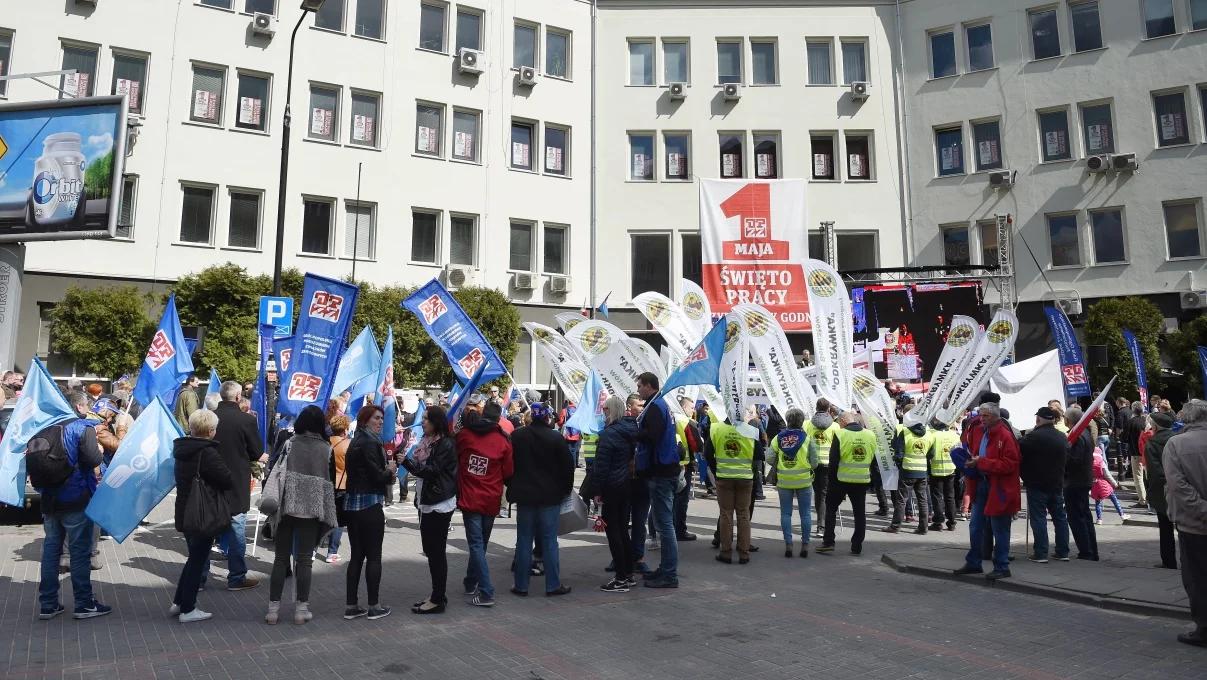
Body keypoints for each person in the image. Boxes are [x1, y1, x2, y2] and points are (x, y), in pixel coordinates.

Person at [35, 391, 111, 621]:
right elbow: (94, 461)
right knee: (79, 552)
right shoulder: (81, 427)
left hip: (49, 497)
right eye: (86, 405)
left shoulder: (43, 427)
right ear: (79, 406)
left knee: (51, 550)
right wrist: (98, 452)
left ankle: (48, 604)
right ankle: (84, 603)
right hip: (75, 496)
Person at [265, 405, 337, 625]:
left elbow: (275, 468)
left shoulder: (289, 444)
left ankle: (273, 610)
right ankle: (301, 609)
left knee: (280, 559)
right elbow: (330, 482)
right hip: (312, 508)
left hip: (286, 506)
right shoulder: (327, 449)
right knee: (304, 561)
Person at [171, 409, 233, 623]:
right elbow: (226, 479)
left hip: (185, 510)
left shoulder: (182, 449)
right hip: (202, 513)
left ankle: (179, 601)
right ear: (211, 431)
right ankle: (188, 608)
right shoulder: (207, 453)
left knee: (194, 557)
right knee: (198, 560)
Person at [507, 402, 574, 597]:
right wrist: (565, 490)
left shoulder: (517, 436)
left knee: (524, 540)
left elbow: (508, 464)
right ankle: (552, 585)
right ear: (547, 417)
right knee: (550, 541)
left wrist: (511, 484)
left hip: (525, 496)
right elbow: (567, 467)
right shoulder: (555, 438)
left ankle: (521, 585)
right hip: (550, 497)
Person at [952, 402, 1020, 579]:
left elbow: (1011, 464)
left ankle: (1002, 566)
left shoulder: (1004, 435)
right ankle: (974, 562)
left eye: (985, 416)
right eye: (980, 415)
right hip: (982, 483)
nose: (981, 419)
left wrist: (980, 462)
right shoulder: (984, 433)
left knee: (1000, 528)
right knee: (975, 526)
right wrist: (970, 462)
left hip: (998, 487)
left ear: (996, 416)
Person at [456, 401, 514, 607]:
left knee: (476, 544)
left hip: (470, 496)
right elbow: (508, 473)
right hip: (491, 498)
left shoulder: (465, 435)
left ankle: (486, 590)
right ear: (499, 419)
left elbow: (456, 458)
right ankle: (471, 581)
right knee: (480, 544)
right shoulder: (503, 441)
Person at [402, 405, 458, 614]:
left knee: (435, 551)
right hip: (428, 500)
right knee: (431, 550)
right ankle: (437, 594)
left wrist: (407, 464)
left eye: (427, 418)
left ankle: (437, 599)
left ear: (437, 422)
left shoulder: (444, 444)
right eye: (423, 418)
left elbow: (432, 472)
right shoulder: (428, 442)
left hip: (439, 501)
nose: (423, 422)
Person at [210, 381, 264, 591]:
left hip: (211, 479)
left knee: (209, 528)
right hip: (235, 481)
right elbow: (256, 451)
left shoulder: (210, 417)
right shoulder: (245, 420)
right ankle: (236, 576)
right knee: (236, 529)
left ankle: (201, 576)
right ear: (238, 397)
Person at [343, 404, 395, 621]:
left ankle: (351, 605)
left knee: (356, 556)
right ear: (365, 420)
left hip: (352, 505)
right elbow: (378, 476)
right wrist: (390, 472)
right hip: (369, 504)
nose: (381, 422)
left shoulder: (355, 441)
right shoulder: (371, 443)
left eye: (382, 418)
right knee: (373, 556)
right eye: (376, 418)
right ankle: (374, 606)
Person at [1163, 399, 1207, 647]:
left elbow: (1178, 486)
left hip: (1193, 524)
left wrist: (1202, 510)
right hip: (1194, 520)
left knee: (1197, 577)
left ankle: (1204, 628)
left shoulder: (1176, 444)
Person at [634, 373, 680, 587]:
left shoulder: (655, 407)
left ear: (649, 386)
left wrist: (635, 433)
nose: (638, 389)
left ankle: (669, 574)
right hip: (664, 469)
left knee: (665, 526)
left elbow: (652, 437)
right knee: (664, 524)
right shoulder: (661, 404)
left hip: (660, 472)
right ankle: (664, 569)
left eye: (640, 385)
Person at [593, 396, 638, 592]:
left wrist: (597, 491)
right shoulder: (631, 430)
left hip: (611, 487)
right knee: (622, 531)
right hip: (626, 486)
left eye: (605, 411)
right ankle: (628, 573)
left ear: (611, 411)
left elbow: (602, 467)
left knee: (614, 533)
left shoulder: (608, 435)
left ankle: (620, 578)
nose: (603, 414)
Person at [817, 411, 875, 555]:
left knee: (830, 509)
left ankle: (828, 542)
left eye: (839, 421)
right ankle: (857, 546)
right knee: (859, 513)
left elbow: (834, 461)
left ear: (843, 421)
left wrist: (831, 480)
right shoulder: (870, 435)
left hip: (840, 480)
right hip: (861, 480)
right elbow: (873, 458)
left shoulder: (841, 434)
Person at [1019, 406, 1070, 563]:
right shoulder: (1062, 437)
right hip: (1056, 483)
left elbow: (1019, 449)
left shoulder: (1033, 437)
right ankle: (1063, 552)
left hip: (1037, 483)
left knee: (1039, 518)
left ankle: (1041, 553)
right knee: (1060, 518)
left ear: (1038, 419)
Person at [772, 408, 817, 558]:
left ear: (787, 420)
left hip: (784, 481)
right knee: (805, 514)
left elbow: (768, 458)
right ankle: (805, 545)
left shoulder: (778, 438)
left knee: (786, 513)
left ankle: (789, 545)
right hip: (804, 481)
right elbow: (815, 462)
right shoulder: (807, 438)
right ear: (802, 421)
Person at [711, 416, 756, 564]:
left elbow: (707, 453)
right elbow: (759, 456)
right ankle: (744, 553)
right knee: (743, 514)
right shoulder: (751, 430)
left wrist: (717, 469)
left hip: (724, 476)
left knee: (726, 514)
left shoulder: (716, 428)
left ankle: (726, 552)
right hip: (745, 478)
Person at [1063, 406, 1099, 561]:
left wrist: (1064, 453)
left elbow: (1075, 460)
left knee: (1077, 517)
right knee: (1084, 515)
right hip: (1082, 479)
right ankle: (1091, 550)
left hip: (1075, 481)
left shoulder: (1078, 435)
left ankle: (1086, 551)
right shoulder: (1085, 433)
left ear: (1068, 420)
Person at [1144, 411, 1177, 570]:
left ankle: (1169, 562)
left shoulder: (1152, 443)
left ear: (1155, 426)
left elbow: (1155, 472)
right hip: (1182, 487)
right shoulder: (1177, 438)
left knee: (1165, 528)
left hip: (1162, 490)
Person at [890, 421, 933, 534]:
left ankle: (895, 526)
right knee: (922, 500)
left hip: (908, 470)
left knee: (901, 499)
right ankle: (923, 528)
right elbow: (931, 454)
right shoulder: (928, 433)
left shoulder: (905, 432)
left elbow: (898, 451)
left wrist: (900, 464)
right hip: (922, 471)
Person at [806, 399, 839, 537]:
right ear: (828, 409)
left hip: (813, 464)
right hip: (828, 464)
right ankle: (822, 526)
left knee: (817, 493)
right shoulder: (835, 426)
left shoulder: (807, 424)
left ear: (816, 407)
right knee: (824, 494)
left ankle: (820, 524)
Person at [322, 414, 351, 564]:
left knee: (323, 518)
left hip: (326, 483)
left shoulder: (325, 443)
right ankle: (332, 552)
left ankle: (312, 550)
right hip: (342, 485)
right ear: (345, 429)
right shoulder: (348, 445)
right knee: (338, 520)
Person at [673, 397, 701, 542]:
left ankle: (667, 529)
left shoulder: (671, 418)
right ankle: (680, 531)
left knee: (669, 499)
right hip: (684, 465)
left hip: (669, 464)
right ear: (684, 407)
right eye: (691, 407)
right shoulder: (686, 422)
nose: (693, 410)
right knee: (682, 500)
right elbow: (697, 445)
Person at [928, 418, 959, 532]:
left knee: (937, 497)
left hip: (936, 469)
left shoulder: (933, 435)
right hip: (950, 469)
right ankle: (951, 522)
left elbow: (929, 452)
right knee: (950, 496)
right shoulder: (954, 435)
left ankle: (938, 522)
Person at [1092, 448, 1129, 524]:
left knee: (1098, 501)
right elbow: (1108, 475)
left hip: (1094, 484)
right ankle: (1122, 514)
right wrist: (1115, 484)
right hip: (1103, 483)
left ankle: (1099, 519)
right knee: (1114, 499)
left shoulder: (1089, 461)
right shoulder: (1101, 462)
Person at [1124, 401, 1149, 508]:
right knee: (1148, 476)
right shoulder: (1146, 421)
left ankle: (1142, 500)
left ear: (1133, 410)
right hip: (1147, 452)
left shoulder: (1131, 422)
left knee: (1138, 476)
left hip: (1136, 452)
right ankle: (1148, 497)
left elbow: (1124, 438)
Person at [560, 399, 582, 468]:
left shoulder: (565, 410)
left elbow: (560, 422)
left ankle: (570, 467)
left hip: (568, 434)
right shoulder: (578, 410)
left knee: (568, 451)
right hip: (577, 434)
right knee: (574, 450)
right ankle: (574, 466)